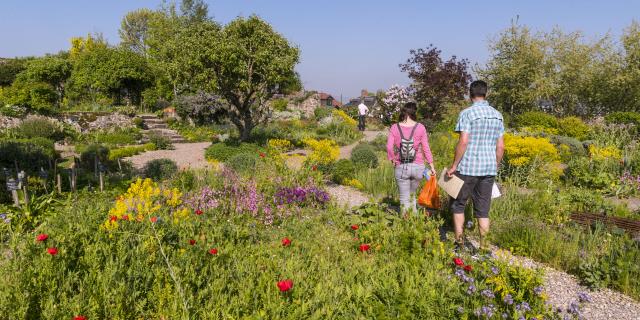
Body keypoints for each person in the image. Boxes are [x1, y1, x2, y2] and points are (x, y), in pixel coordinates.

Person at [446, 80, 505, 251]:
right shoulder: (498, 115)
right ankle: (485, 248)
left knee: (458, 205)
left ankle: (460, 244)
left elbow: (463, 142)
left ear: (470, 94)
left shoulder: (467, 113)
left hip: (467, 168)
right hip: (488, 169)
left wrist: (454, 165)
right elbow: (501, 146)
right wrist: (496, 165)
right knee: (483, 210)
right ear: (486, 93)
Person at [386, 102, 437, 215]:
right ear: (414, 112)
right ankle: (413, 224)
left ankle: (405, 224)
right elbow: (426, 147)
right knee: (412, 196)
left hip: (401, 166)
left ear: (403, 112)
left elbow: (389, 146)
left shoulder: (395, 127)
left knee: (404, 198)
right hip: (418, 166)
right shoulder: (420, 127)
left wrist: (393, 159)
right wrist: (431, 166)